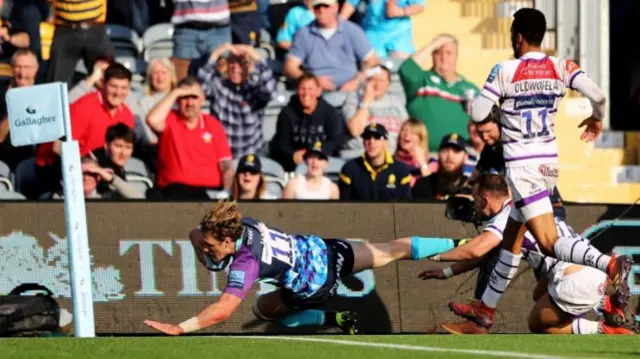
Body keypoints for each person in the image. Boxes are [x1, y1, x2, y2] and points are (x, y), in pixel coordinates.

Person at [450, 8, 633, 329]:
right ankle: (484, 313)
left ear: (517, 36)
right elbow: (599, 96)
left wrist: (471, 101)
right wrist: (596, 117)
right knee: (512, 239)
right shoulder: (561, 66)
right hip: (548, 165)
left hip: (522, 166)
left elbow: (479, 114)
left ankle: (611, 263)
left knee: (547, 241)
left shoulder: (504, 70)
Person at [142, 200, 457, 335]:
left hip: (314, 282)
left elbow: (224, 310)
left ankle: (334, 317)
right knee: (388, 250)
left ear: (228, 241)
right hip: (322, 249)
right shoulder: (242, 224)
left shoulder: (246, 262)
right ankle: (456, 243)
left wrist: (181, 327)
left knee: (262, 310)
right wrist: (204, 247)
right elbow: (197, 233)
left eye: (211, 245)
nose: (205, 246)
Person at [416, 173, 637, 335]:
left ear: (484, 199)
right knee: (537, 292)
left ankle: (605, 328)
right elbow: (482, 256)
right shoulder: (532, 207)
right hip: (583, 272)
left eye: (475, 198)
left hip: (573, 278)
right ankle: (605, 302)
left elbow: (477, 248)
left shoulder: (506, 218)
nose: (475, 205)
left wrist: (434, 253)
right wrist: (445, 272)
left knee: (538, 325)